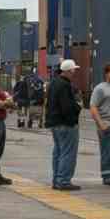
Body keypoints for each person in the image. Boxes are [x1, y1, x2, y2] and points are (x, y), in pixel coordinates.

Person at [45, 58, 82, 191]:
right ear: (68, 71)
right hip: (66, 124)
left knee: (58, 152)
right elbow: (67, 106)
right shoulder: (65, 85)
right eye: (73, 71)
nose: (74, 73)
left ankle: (57, 180)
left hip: (54, 123)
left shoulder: (53, 83)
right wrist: (77, 110)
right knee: (68, 152)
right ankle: (64, 181)